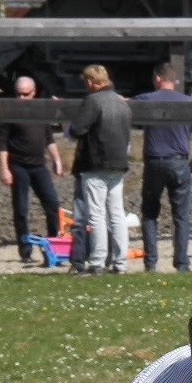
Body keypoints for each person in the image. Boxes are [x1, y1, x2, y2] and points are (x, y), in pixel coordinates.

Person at [133, 61, 192, 274]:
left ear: (157, 78)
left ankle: (151, 263)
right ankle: (182, 264)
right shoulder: (189, 102)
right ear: (173, 80)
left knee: (149, 213)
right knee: (181, 216)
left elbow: (122, 103)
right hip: (179, 161)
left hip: (154, 161)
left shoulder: (146, 99)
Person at [68, 64, 133, 275]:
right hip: (119, 164)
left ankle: (97, 261)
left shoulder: (93, 101)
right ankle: (120, 262)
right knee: (116, 215)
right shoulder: (122, 103)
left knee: (95, 215)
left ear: (89, 82)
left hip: (95, 164)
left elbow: (77, 129)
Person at [0, 77, 64, 264]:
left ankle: (54, 246)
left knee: (53, 205)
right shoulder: (9, 113)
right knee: (21, 209)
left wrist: (57, 159)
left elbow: (48, 137)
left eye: (25, 94)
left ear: (33, 93)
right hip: (18, 166)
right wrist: (4, 168)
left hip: (39, 165)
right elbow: (2, 144)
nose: (21, 98)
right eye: (18, 94)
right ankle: (25, 251)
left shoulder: (39, 111)